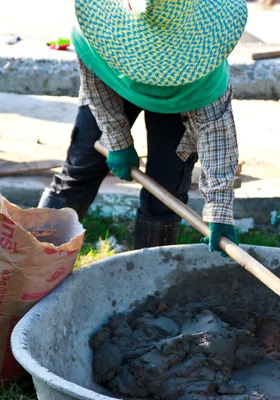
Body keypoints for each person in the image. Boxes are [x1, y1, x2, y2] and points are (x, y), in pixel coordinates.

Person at [38, 0, 247, 255]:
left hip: (181, 100)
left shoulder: (204, 68)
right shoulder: (99, 30)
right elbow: (94, 82)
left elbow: (217, 135)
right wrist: (117, 142)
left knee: (165, 193)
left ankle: (145, 278)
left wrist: (220, 208)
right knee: (81, 169)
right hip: (111, 82)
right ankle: (35, 257)